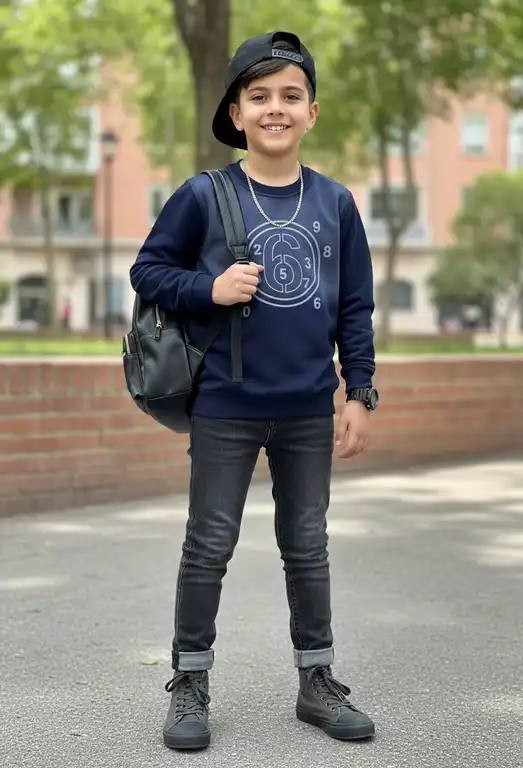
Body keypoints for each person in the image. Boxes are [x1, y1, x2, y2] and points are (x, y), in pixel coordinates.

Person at [129, 30, 378, 750]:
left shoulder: (335, 203)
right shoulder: (203, 196)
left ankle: (316, 680)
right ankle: (190, 683)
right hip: (225, 405)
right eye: (259, 96)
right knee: (209, 544)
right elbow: (148, 271)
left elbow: (355, 307)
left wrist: (359, 391)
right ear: (236, 113)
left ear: (312, 112)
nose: (276, 108)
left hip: (307, 404)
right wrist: (208, 288)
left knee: (307, 545)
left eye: (291, 96)